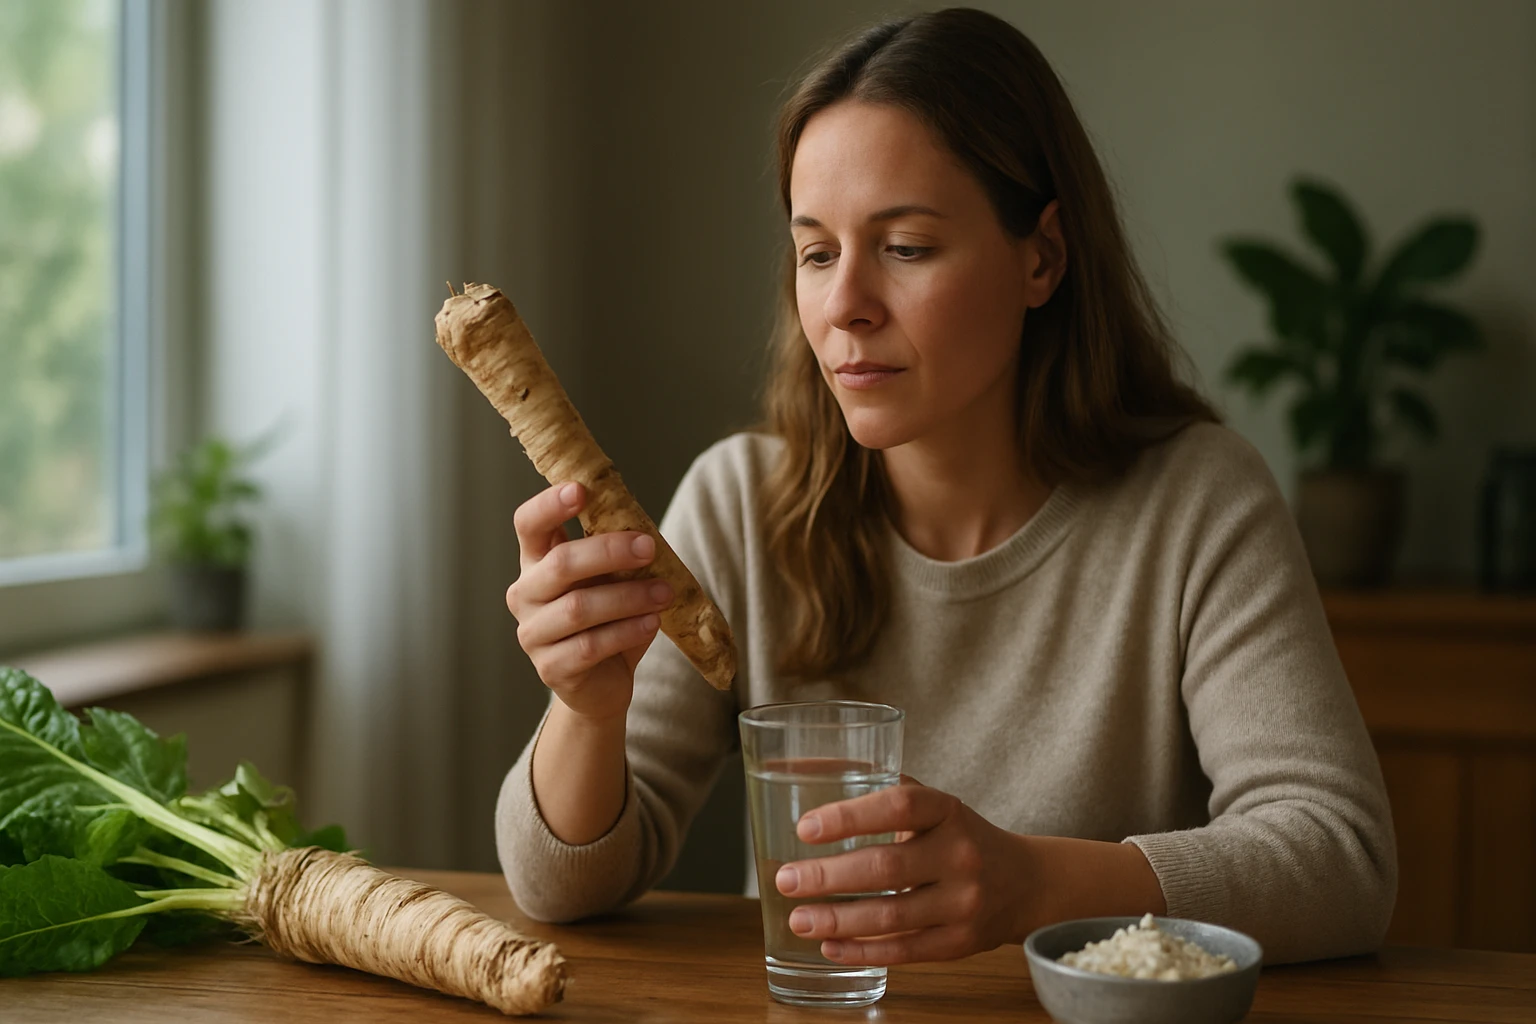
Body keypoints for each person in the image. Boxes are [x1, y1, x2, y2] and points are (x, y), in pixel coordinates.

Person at [496, 7, 1396, 966]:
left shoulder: (1199, 503)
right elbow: (560, 889)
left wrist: (1042, 884)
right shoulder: (739, 505)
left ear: (1041, 256)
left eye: (906, 247)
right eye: (816, 252)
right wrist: (586, 710)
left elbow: (1341, 859)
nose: (844, 307)